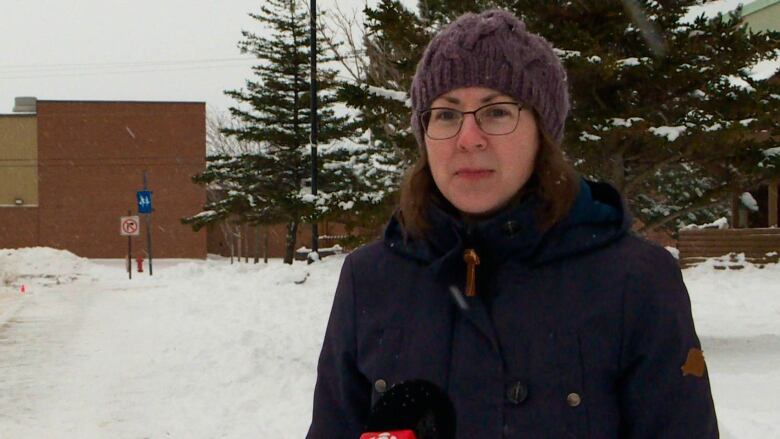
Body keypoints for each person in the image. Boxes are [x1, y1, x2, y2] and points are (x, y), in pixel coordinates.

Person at [307, 9, 718, 438]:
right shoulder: (370, 280)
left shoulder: (636, 281)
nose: (469, 138)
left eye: (497, 111)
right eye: (446, 114)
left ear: (542, 133)